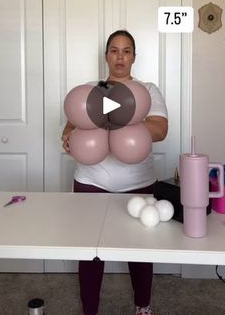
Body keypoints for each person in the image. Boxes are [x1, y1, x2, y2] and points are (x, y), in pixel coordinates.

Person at [62, 30, 168, 315]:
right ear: (106, 55)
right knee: (90, 251)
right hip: (91, 180)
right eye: (114, 50)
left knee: (140, 251)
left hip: (138, 182)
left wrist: (120, 120)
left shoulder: (147, 90)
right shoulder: (92, 89)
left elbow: (159, 130)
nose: (120, 56)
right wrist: (69, 137)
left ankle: (143, 306)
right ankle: (90, 310)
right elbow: (71, 127)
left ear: (134, 56)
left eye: (126, 51)